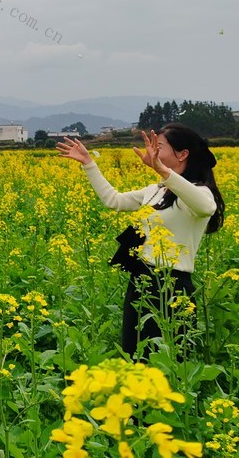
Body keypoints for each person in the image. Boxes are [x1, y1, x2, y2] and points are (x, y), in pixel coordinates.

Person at [57, 124, 225, 359]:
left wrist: (164, 172)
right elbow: (113, 200)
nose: (152, 150)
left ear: (183, 154)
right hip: (142, 282)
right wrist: (88, 163)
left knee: (172, 360)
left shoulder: (198, 192)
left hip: (174, 286)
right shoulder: (155, 190)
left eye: (159, 146)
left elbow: (207, 207)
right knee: (135, 355)